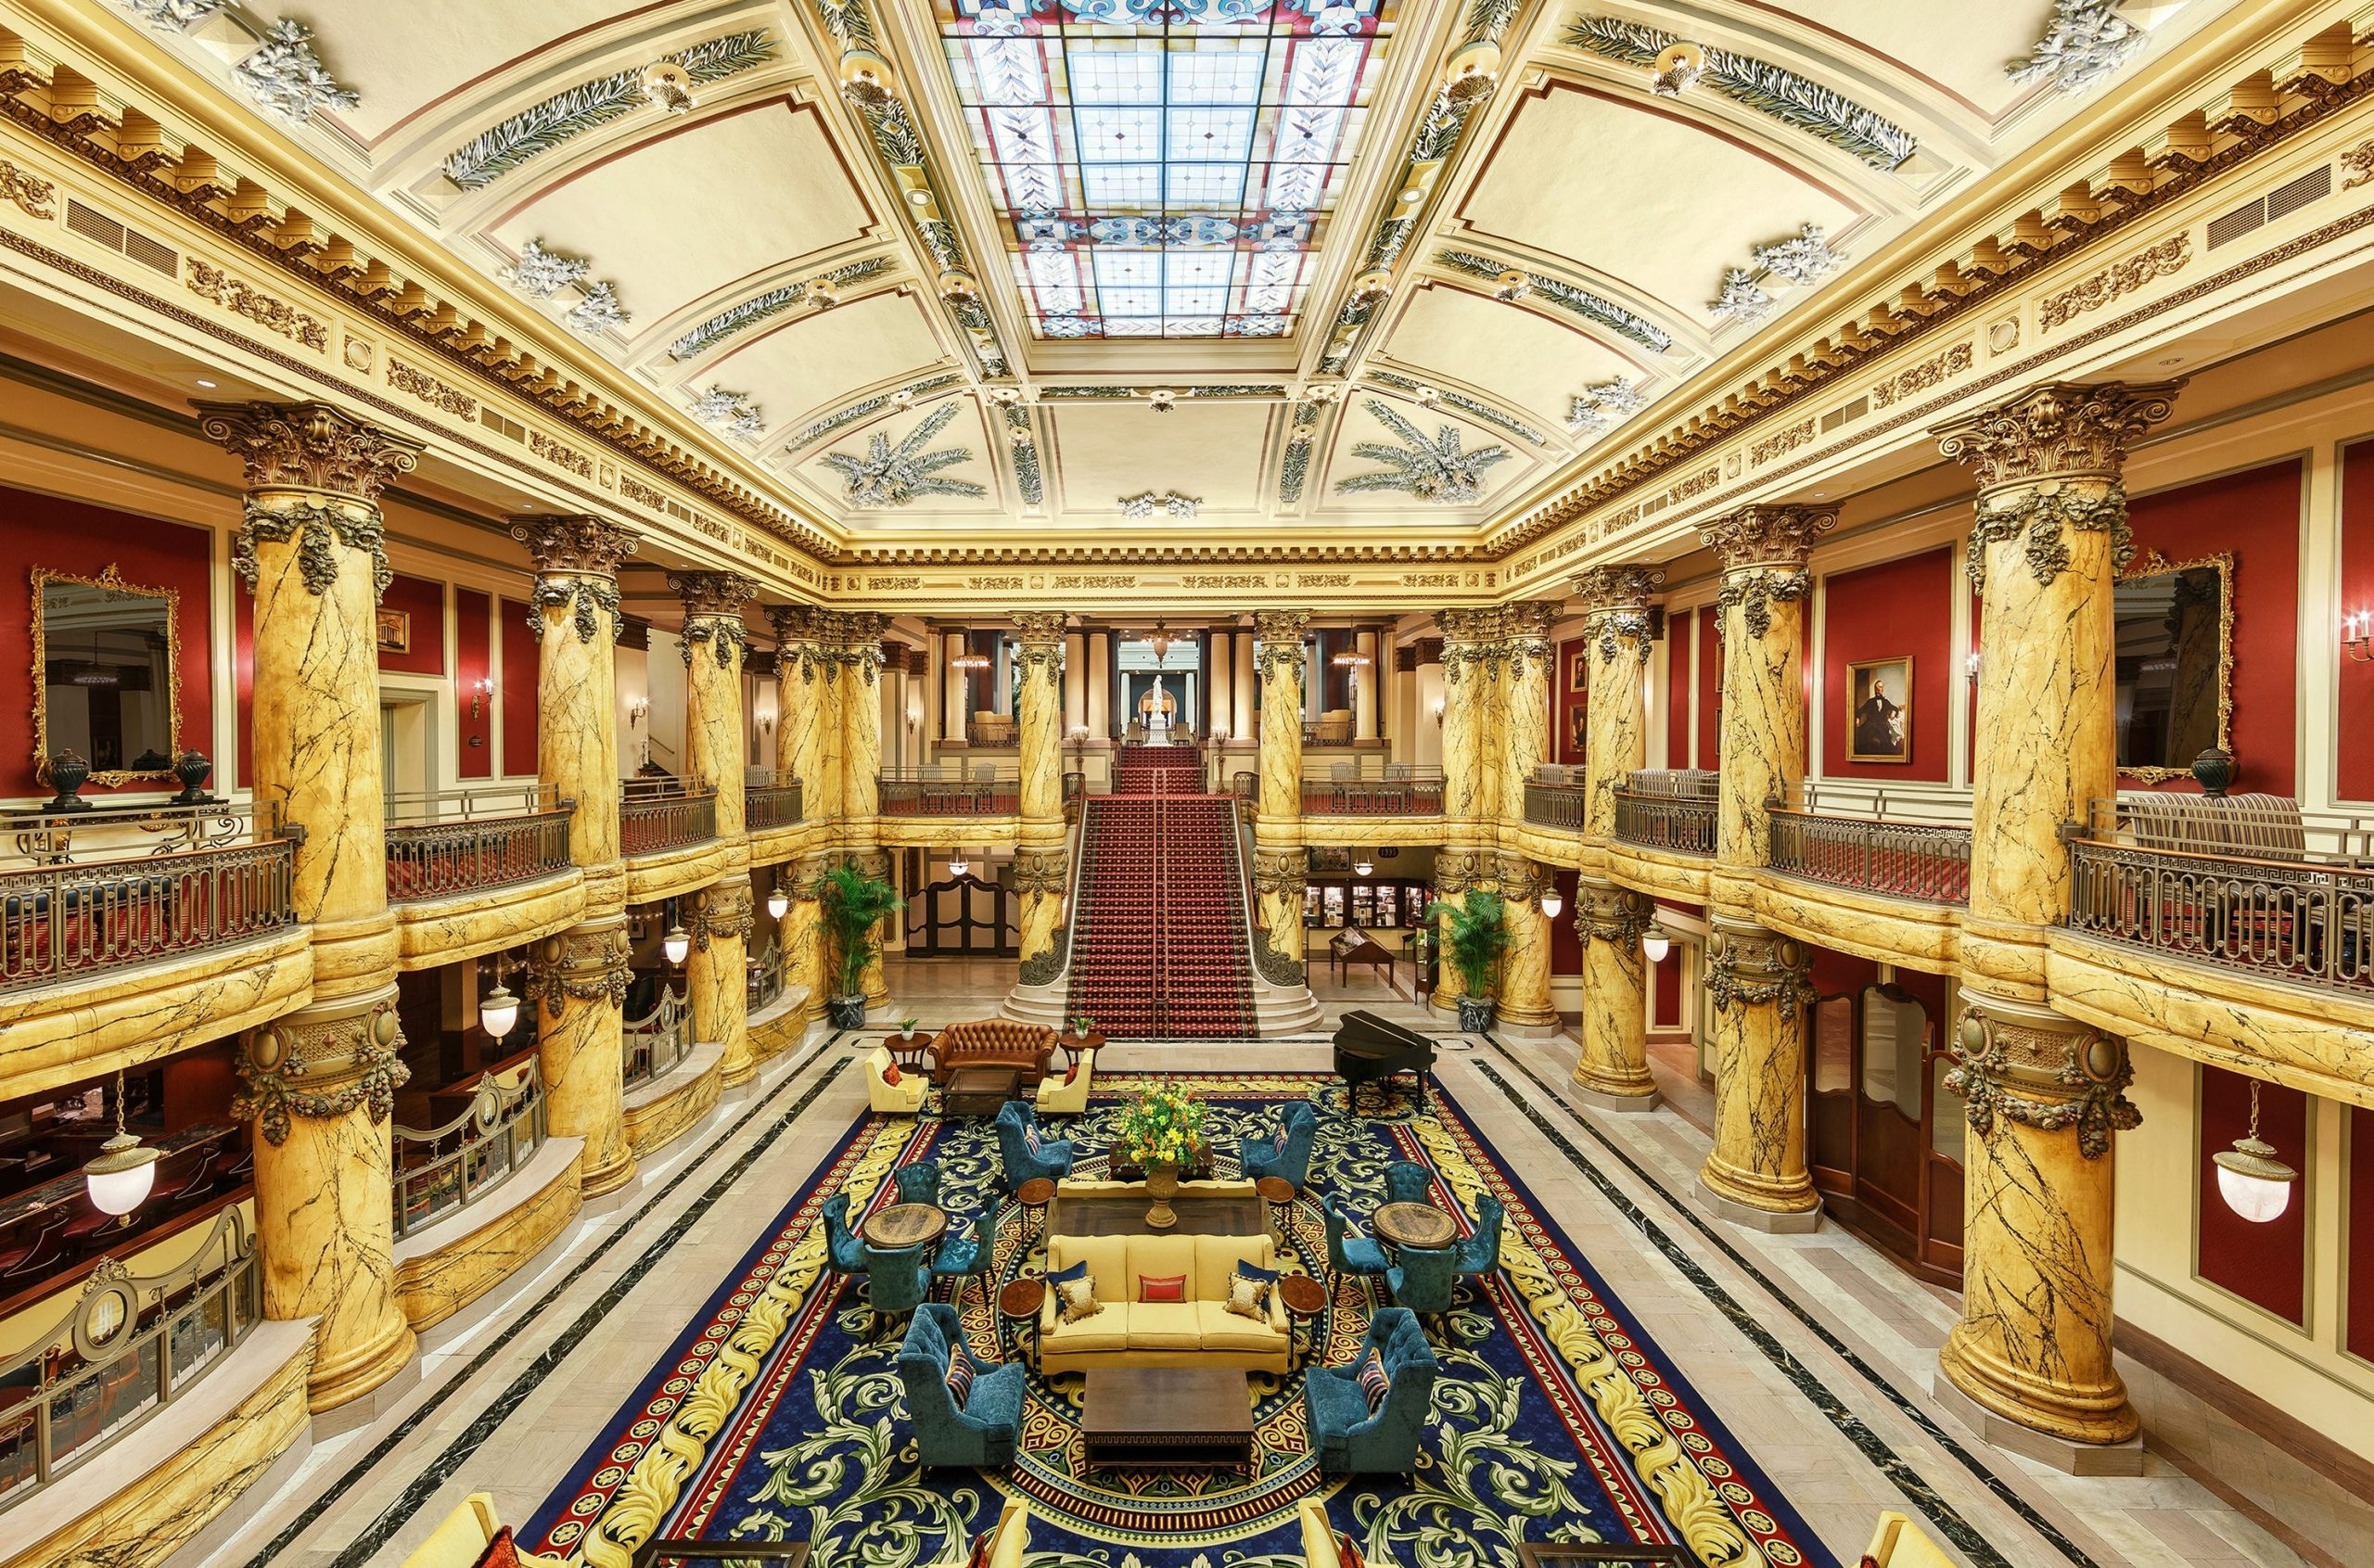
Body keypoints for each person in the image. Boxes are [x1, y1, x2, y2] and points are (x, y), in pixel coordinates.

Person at [1854, 674, 1904, 758]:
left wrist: (1894, 712)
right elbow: (1860, 710)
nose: (1879, 690)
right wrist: (1858, 719)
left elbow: (1895, 708)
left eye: (1881, 688)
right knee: (1865, 735)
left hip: (1882, 724)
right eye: (1877, 688)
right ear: (1875, 689)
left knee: (1886, 737)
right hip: (1870, 724)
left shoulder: (1886, 702)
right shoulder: (1870, 702)